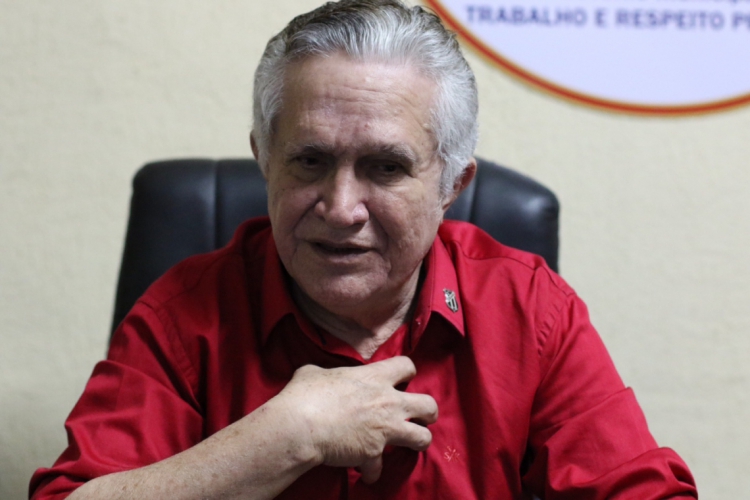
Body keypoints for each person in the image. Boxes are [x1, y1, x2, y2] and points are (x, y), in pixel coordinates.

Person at [30, 0, 698, 498]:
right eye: (310, 160)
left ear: (452, 184)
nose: (341, 207)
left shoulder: (531, 309)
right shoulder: (183, 314)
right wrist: (281, 438)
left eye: (385, 167)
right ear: (265, 160)